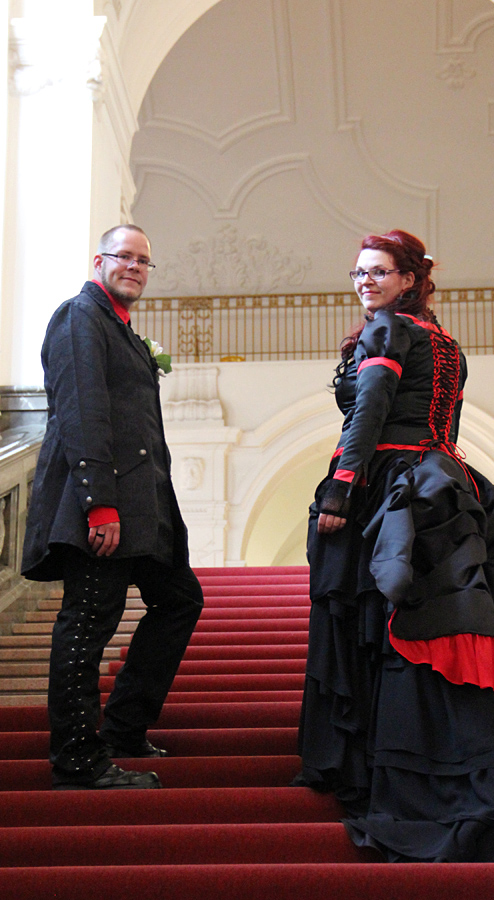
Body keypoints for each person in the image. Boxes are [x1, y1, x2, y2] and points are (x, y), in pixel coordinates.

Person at [294, 229, 494, 861]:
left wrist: (342, 488)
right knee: (426, 624)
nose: (365, 282)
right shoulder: (446, 342)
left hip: (391, 486)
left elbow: (369, 412)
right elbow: (443, 426)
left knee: (391, 621)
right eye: (358, 273)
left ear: (409, 279)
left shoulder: (387, 331)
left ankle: (391, 768)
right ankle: (446, 761)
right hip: (442, 482)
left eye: (378, 272)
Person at [21, 224, 204, 790]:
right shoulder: (80, 316)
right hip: (102, 504)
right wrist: (98, 503)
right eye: (124, 256)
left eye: (144, 261)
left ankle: (123, 727)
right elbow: (82, 412)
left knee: (179, 600)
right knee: (88, 623)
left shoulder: (120, 327)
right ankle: (78, 759)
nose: (135, 267)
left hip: (143, 506)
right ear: (99, 261)